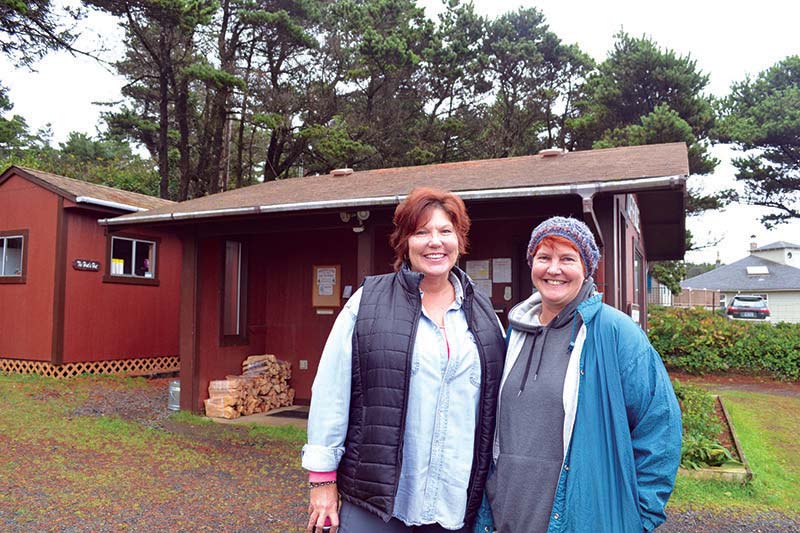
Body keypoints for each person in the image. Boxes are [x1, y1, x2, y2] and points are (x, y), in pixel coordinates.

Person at [302, 187, 506, 533]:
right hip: (379, 501)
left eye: (445, 231)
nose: (435, 242)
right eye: (422, 232)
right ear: (405, 242)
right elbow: (331, 391)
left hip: (454, 501)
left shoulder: (483, 312)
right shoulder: (369, 302)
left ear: (459, 239)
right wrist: (322, 480)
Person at [485, 216, 682, 533]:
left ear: (587, 267)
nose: (553, 269)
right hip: (509, 516)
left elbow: (660, 425)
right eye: (544, 258)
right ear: (531, 264)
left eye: (567, 259)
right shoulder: (514, 334)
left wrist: (639, 518)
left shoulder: (615, 333)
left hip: (583, 519)